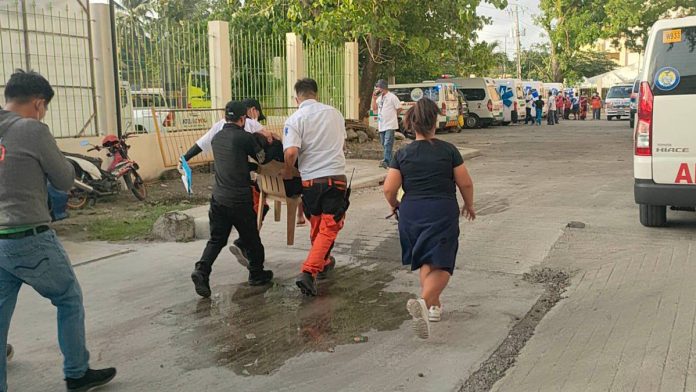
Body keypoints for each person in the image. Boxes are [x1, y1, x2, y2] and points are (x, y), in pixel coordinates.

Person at [0, 70, 116, 391]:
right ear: (38, 104)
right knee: (67, 297)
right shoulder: (33, 130)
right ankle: (77, 373)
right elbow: (64, 180)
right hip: (30, 237)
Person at [382, 98, 475, 339]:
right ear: (435, 121)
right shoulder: (448, 150)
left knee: (426, 259)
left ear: (412, 124)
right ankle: (424, 302)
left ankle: (434, 306)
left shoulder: (402, 153)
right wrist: (469, 204)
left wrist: (395, 206)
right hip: (441, 209)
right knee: (443, 263)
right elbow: (464, 182)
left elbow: (389, 189)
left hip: (411, 212)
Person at [190, 100, 274, 298]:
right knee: (252, 239)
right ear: (243, 118)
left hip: (218, 198)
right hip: (239, 199)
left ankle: (201, 270)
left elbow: (232, 162)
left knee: (217, 240)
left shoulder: (217, 137)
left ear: (226, 116)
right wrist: (259, 140)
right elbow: (262, 158)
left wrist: (248, 167)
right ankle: (257, 273)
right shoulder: (244, 137)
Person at [282, 78, 348, 297]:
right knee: (329, 227)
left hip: (310, 181)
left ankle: (323, 261)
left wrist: (289, 170)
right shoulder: (335, 113)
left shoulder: (295, 118)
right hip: (335, 179)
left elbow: (291, 152)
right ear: (316, 94)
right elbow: (342, 142)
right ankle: (309, 272)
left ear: (296, 98)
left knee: (319, 224)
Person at [372, 79, 402, 169]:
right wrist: (374, 98)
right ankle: (391, 161)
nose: (377, 89)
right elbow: (374, 109)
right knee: (383, 143)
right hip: (382, 125)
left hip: (390, 124)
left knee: (387, 143)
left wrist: (395, 115)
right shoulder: (379, 98)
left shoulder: (392, 97)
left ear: (383, 88)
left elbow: (399, 107)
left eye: (378, 87)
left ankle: (386, 161)